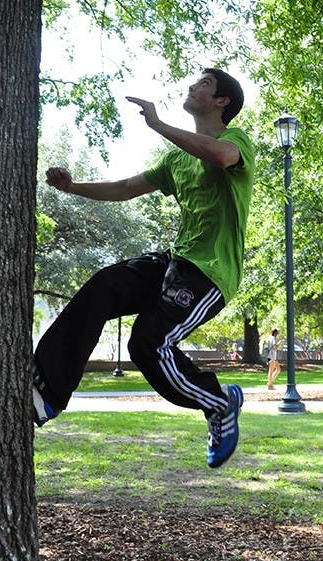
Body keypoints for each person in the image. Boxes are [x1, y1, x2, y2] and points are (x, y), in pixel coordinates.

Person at [32, 68, 255, 469]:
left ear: (222, 101)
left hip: (209, 274)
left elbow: (221, 157)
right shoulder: (176, 159)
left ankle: (218, 402)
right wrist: (72, 187)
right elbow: (124, 189)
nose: (192, 86)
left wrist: (157, 123)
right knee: (104, 287)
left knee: (147, 344)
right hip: (174, 261)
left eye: (203, 83)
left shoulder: (235, 140)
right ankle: (45, 389)